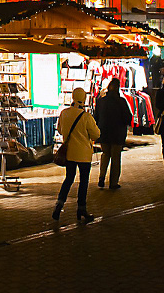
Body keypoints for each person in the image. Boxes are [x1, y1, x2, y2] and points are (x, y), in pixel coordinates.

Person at [53, 87, 101, 223]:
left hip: (69, 153)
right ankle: (81, 208)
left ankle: (59, 205)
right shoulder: (86, 116)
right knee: (83, 181)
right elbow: (96, 134)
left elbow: (60, 130)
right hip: (84, 154)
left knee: (69, 179)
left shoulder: (64, 113)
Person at [93, 78, 132, 189]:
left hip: (104, 133)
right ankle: (113, 183)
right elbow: (128, 118)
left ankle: (101, 177)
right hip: (117, 134)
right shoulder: (121, 101)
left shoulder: (101, 101)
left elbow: (96, 117)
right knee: (115, 158)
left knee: (105, 155)